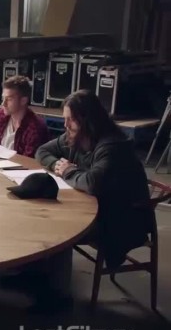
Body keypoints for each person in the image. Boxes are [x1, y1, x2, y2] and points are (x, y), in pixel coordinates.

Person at [36, 90, 154, 269]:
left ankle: (53, 282)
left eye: (71, 119)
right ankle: (40, 271)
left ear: (88, 120)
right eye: (65, 119)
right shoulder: (75, 135)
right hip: (97, 207)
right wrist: (57, 165)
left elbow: (92, 183)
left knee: (58, 226)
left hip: (121, 220)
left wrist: (68, 171)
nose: (65, 125)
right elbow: (42, 151)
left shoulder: (113, 146)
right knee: (44, 213)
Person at [0, 75, 49, 157]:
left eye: (9, 99)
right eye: (3, 98)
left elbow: (28, 161)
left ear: (23, 100)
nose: (3, 103)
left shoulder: (35, 127)